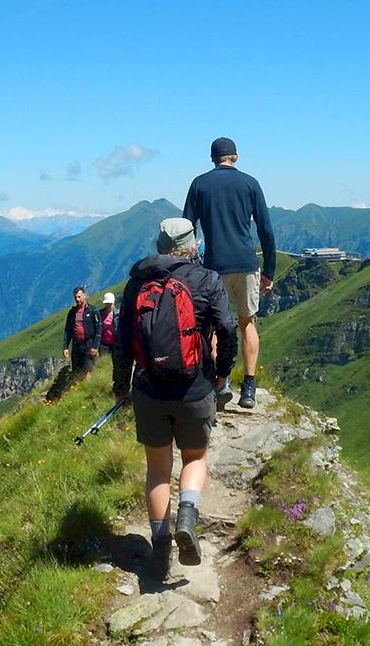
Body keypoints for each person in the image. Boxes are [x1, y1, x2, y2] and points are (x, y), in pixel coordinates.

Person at [112, 217, 238, 566]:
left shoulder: (137, 282)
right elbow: (227, 328)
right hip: (195, 388)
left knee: (156, 469)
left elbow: (122, 342)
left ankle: (160, 542)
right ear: (193, 245)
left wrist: (121, 387)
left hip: (150, 390)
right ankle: (187, 516)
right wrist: (222, 374)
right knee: (194, 458)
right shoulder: (207, 279)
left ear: (158, 247)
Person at [182, 136, 275, 409]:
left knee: (212, 327)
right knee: (247, 322)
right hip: (246, 263)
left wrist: (189, 267)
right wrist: (269, 270)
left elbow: (187, 228)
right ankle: (249, 386)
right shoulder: (250, 183)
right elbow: (266, 231)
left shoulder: (199, 184)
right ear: (235, 157)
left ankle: (218, 383)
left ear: (212, 158)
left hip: (214, 267)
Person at [61, 286, 100, 373]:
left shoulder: (93, 311)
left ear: (85, 296)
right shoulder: (72, 312)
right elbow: (68, 331)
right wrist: (65, 347)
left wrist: (95, 346)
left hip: (88, 345)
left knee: (88, 371)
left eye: (79, 297)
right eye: (75, 297)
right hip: (76, 346)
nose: (77, 299)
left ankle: (88, 386)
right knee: (76, 371)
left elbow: (99, 329)